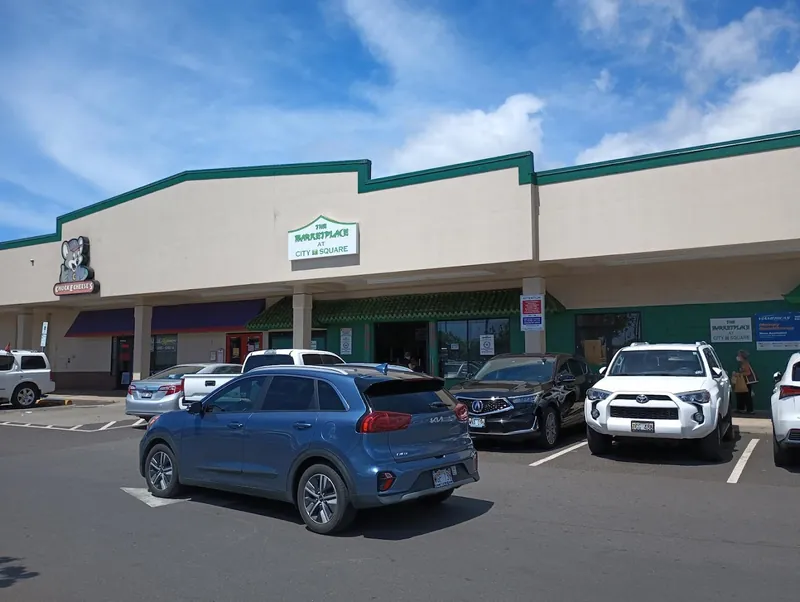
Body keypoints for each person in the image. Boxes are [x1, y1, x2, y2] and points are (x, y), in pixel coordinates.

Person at [732, 350, 756, 414]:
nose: (737, 357)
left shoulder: (746, 363)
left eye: (739, 355)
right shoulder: (742, 363)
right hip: (741, 382)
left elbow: (748, 373)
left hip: (746, 382)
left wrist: (738, 374)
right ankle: (740, 409)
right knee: (740, 395)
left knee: (747, 396)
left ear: (742, 356)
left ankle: (750, 410)